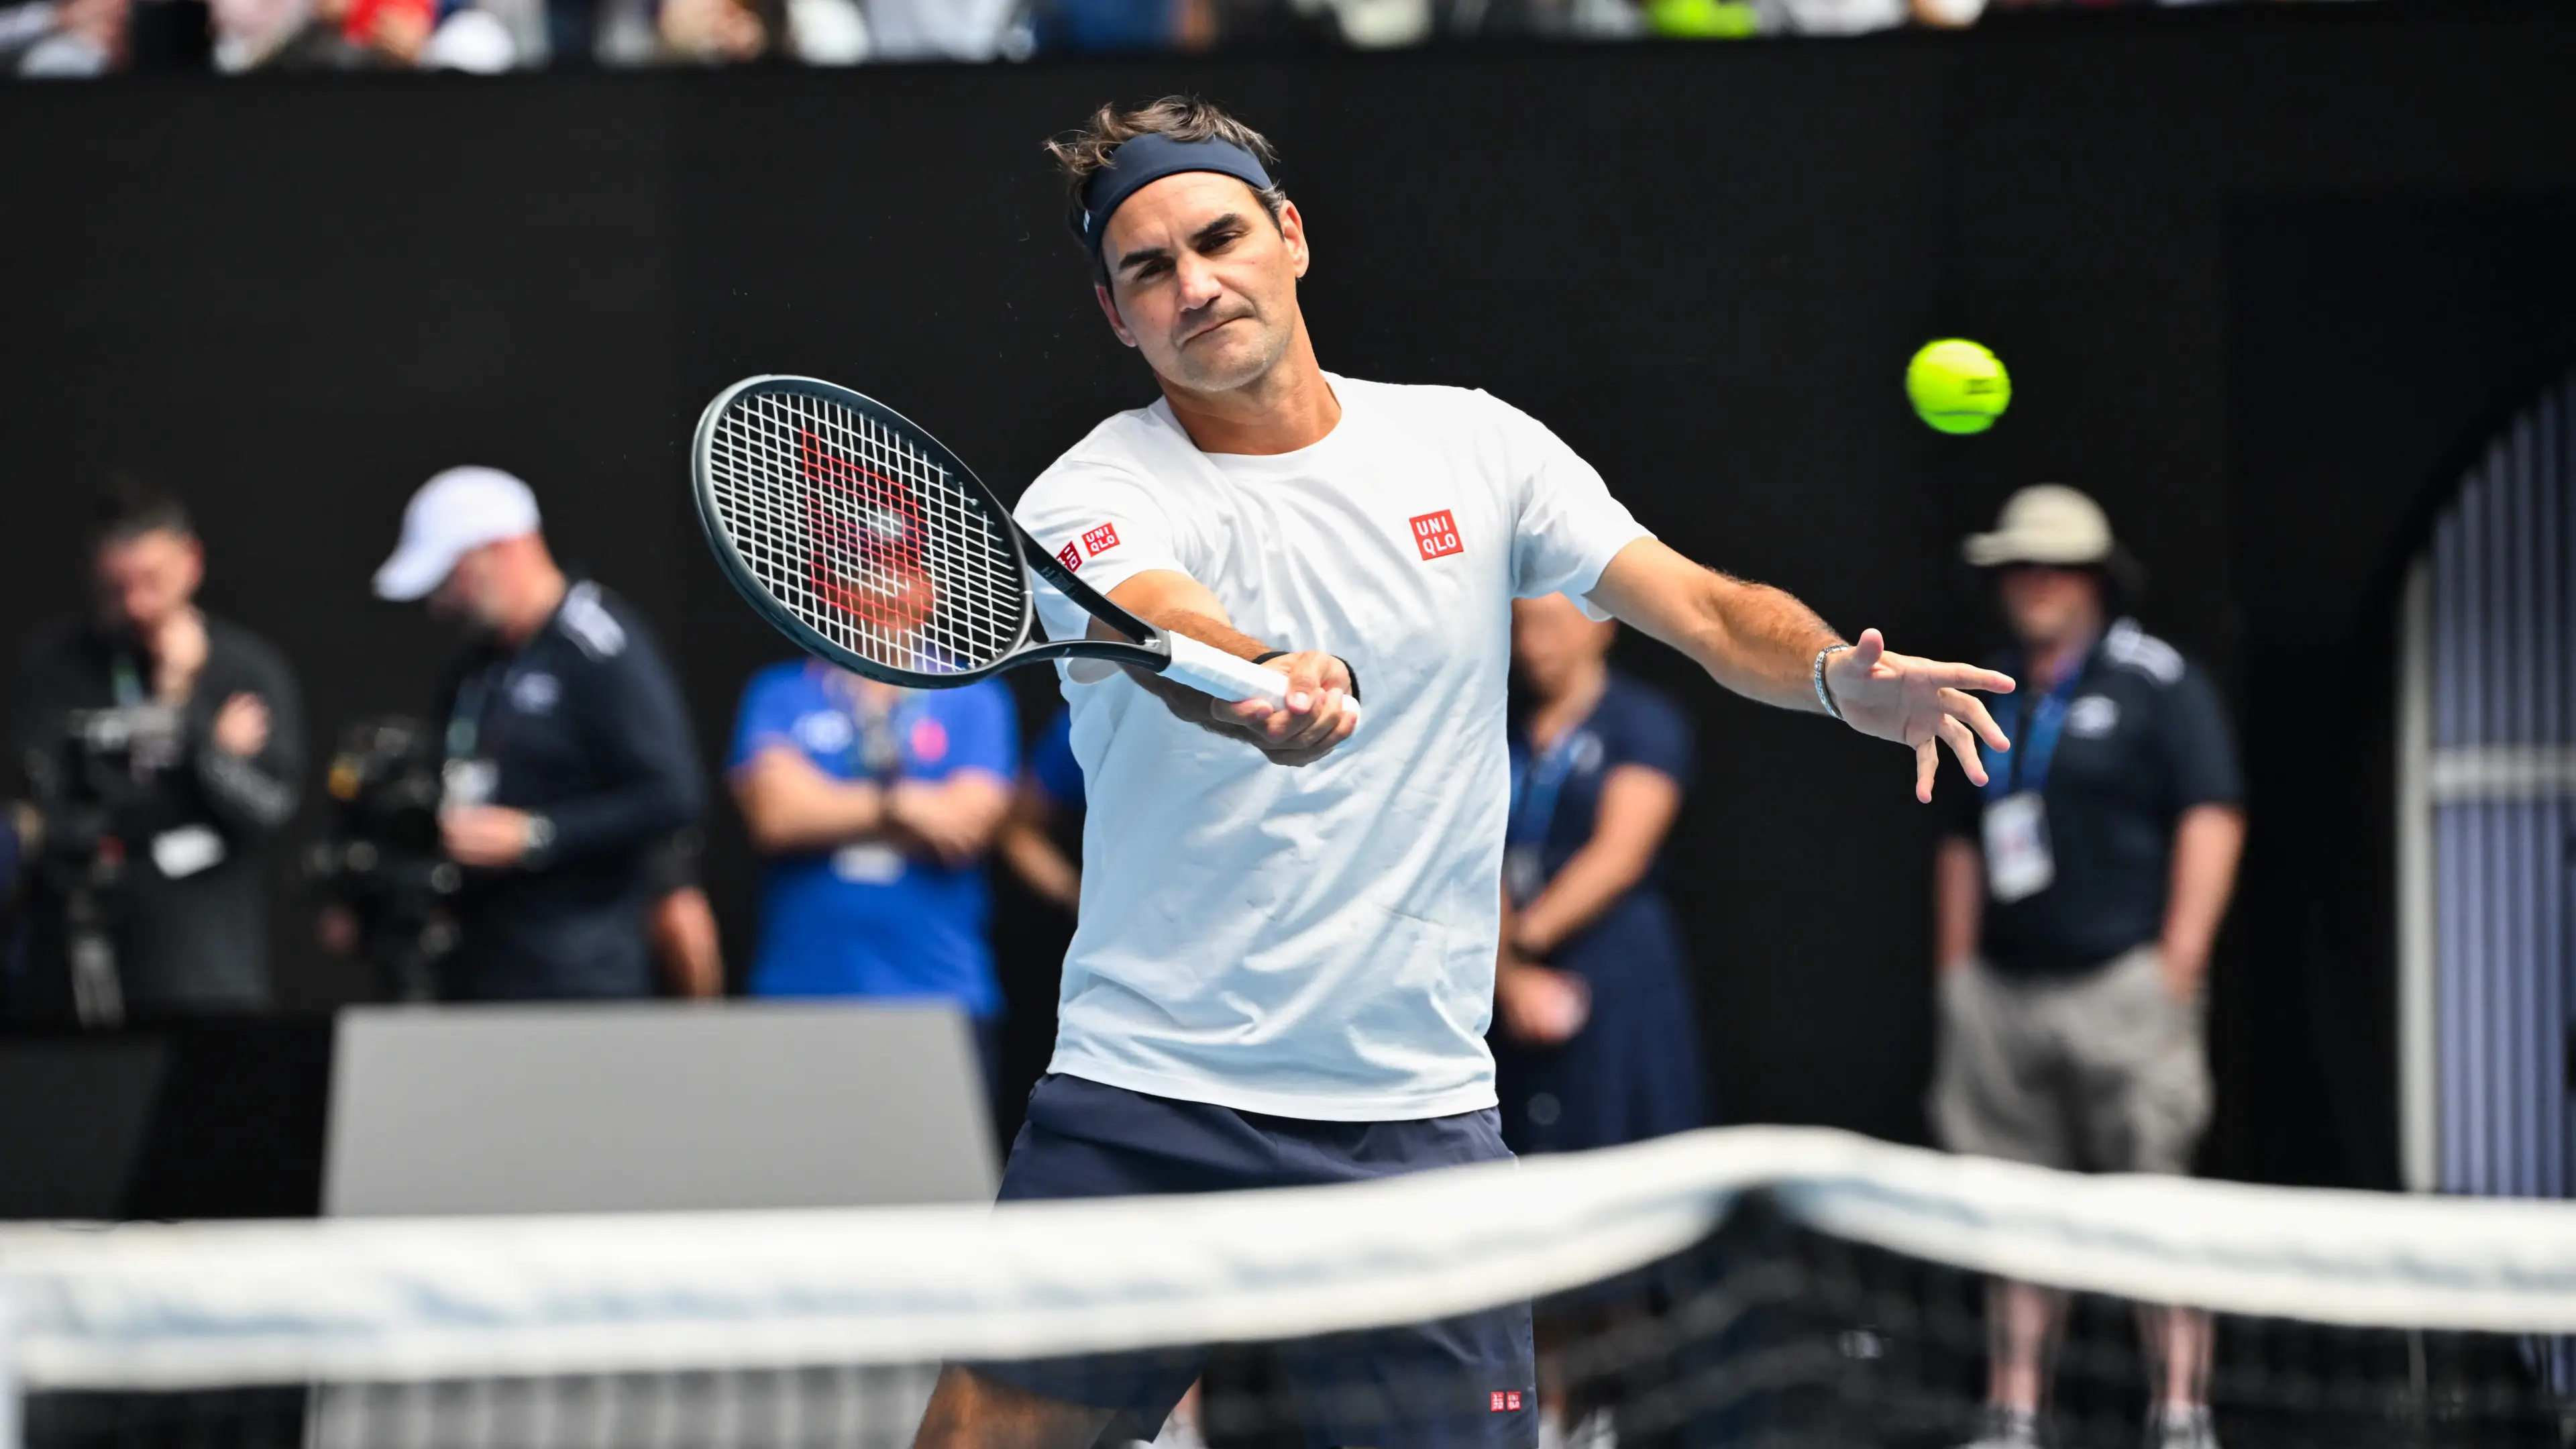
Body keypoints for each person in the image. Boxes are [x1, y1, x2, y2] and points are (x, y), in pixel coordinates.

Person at [906, 97, 2015, 1449]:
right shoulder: (1087, 499)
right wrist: (1268, 681)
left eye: (1218, 238)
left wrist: (1842, 676)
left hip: (1412, 1120)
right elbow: (1169, 623)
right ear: (1115, 314)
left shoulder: (1475, 448)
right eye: (1150, 269)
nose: (1195, 285)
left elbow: (1709, 610)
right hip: (1151, 1100)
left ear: (1291, 237)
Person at [1931, 485, 2245, 1449]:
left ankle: (2181, 1414)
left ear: (2096, 580)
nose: (2033, 584)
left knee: (2154, 1206)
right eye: (2017, 567)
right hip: (2005, 991)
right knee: (2011, 1215)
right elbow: (1957, 838)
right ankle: (2015, 1413)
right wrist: (1955, 973)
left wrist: (2179, 963)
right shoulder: (1984, 685)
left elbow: (2212, 812)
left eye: (2054, 566)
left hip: (2124, 987)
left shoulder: (2157, 680)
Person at [370, 466, 706, 1002]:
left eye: (449, 577)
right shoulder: (473, 665)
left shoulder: (599, 646)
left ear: (504, 549)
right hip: (478, 970)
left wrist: (538, 834)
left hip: (580, 979)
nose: (440, 604)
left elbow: (672, 796)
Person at [5, 482, 303, 1025]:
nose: (136, 604)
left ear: (192, 563)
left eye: (152, 583)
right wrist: (196, 735)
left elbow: (266, 811)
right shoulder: (56, 667)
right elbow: (55, 813)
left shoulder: (245, 670)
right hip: (77, 968)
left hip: (205, 971)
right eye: (117, 589)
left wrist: (186, 715)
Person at [728, 660, 1016, 1089]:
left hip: (939, 990)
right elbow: (778, 816)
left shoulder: (974, 693)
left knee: (935, 1156)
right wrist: (902, 806)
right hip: (801, 991)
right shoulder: (780, 690)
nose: (884, 589)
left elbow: (965, 824)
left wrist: (825, 800)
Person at [1493, 592, 1701, 1155]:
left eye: (1552, 625)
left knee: (1625, 1146)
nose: (1533, 645)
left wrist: (1520, 948)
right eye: (1522, 626)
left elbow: (1619, 856)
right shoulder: (1501, 728)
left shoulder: (1641, 721)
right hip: (1509, 972)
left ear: (1601, 624)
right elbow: (1475, 851)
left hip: (1611, 963)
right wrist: (1507, 977)